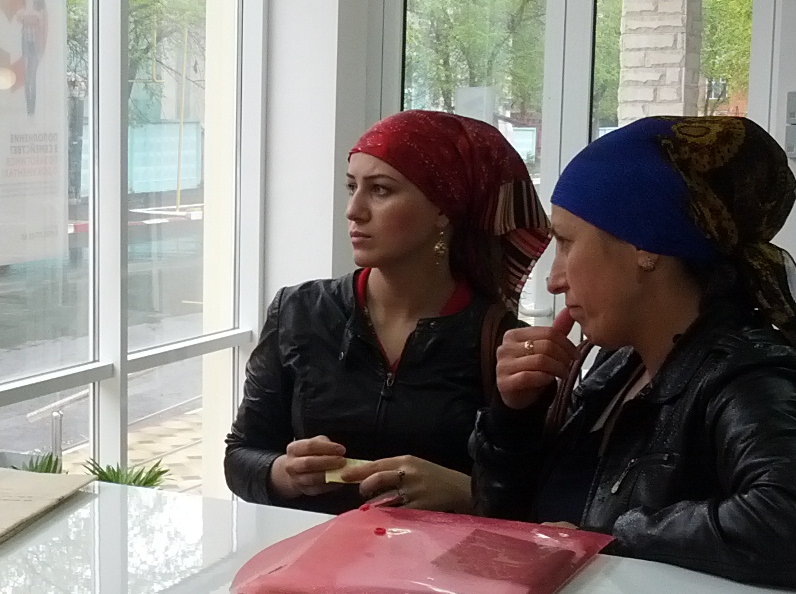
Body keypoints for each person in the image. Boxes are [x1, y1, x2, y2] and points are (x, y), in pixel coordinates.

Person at [474, 115, 796, 589]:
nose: (554, 279)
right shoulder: (620, 365)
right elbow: (522, 525)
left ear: (645, 246)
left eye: (567, 243)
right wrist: (515, 418)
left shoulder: (748, 377)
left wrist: (609, 539)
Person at [224, 110, 551, 514]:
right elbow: (240, 455)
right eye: (352, 187)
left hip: (439, 557)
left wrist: (467, 493)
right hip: (320, 552)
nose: (354, 210)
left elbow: (535, 502)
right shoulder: (298, 311)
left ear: (443, 209)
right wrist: (285, 474)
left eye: (380, 190)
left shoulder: (503, 345)